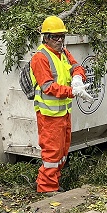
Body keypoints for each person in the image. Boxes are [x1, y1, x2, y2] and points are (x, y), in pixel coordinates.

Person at [29, 15, 87, 194]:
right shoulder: (40, 58)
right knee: (52, 154)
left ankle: (51, 183)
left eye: (62, 36)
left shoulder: (63, 53)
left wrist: (77, 78)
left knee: (62, 152)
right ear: (46, 38)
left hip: (63, 114)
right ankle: (47, 189)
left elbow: (77, 67)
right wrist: (72, 91)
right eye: (55, 37)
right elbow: (48, 87)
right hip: (49, 116)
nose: (60, 40)